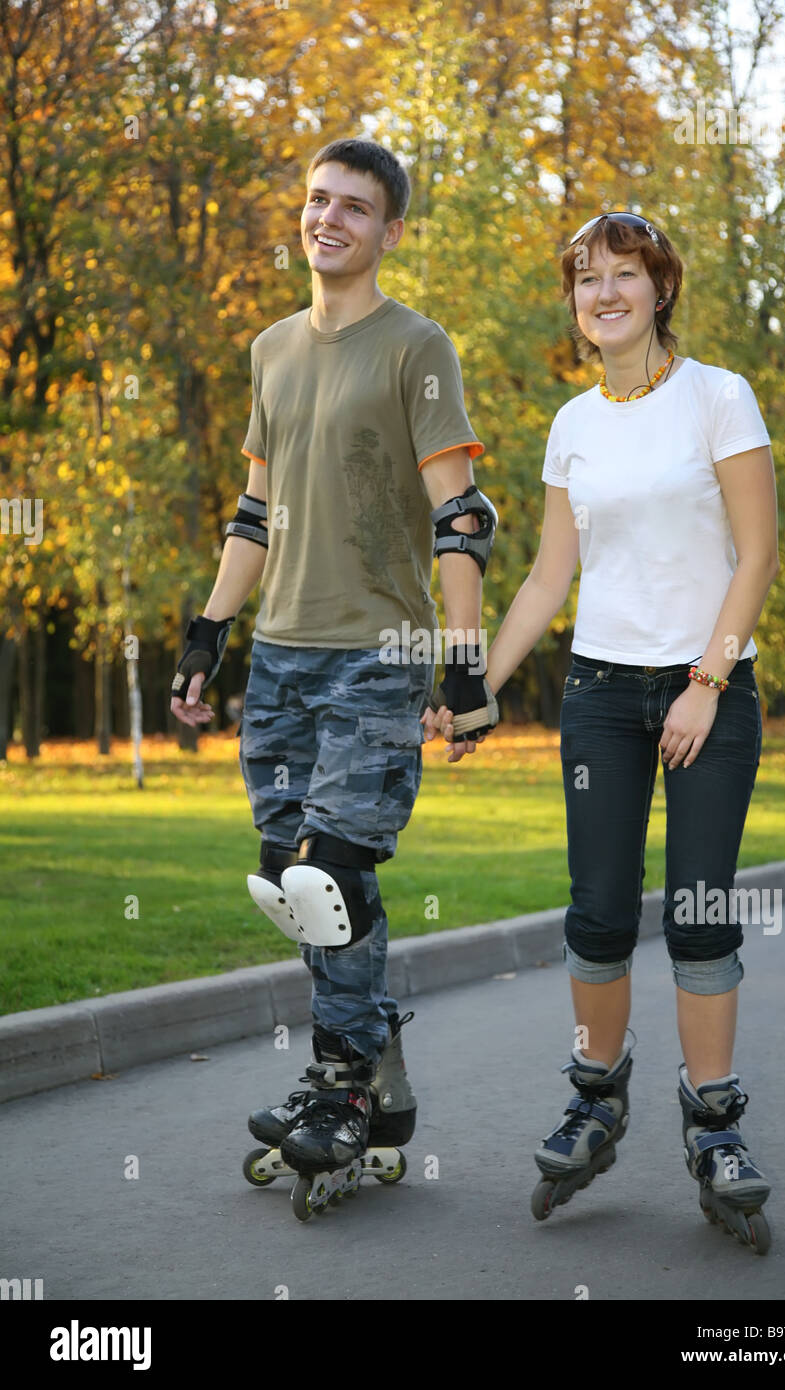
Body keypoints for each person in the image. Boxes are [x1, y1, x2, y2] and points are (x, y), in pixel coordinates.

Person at [429, 211, 779, 1250]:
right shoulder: (571, 422)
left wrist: (706, 678)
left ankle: (713, 1123)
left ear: (659, 288)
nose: (603, 294)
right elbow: (547, 576)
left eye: (623, 275)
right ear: (574, 302)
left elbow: (756, 553)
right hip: (598, 693)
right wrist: (471, 683)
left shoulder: (718, 397)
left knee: (703, 912)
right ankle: (596, 1096)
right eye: (586, 280)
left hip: (704, 690)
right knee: (596, 912)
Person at [170, 137, 498, 1197]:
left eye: (354, 208)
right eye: (317, 200)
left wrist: (462, 663)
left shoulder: (418, 347)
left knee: (332, 873)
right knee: (290, 882)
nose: (329, 219)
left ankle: (342, 1086)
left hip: (378, 650)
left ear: (388, 231)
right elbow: (254, 511)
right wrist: (208, 632)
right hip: (279, 655)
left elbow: (461, 512)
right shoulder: (272, 349)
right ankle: (370, 1073)